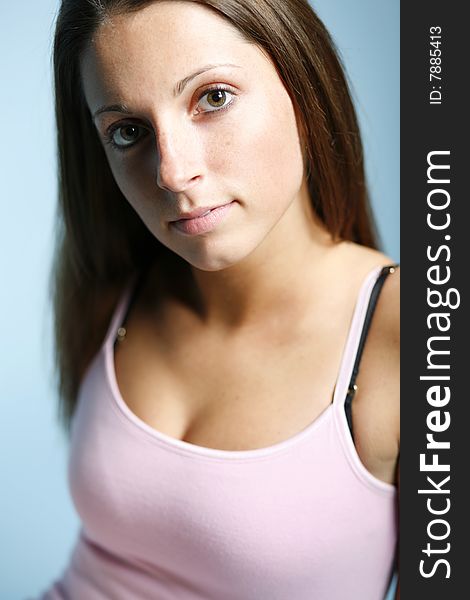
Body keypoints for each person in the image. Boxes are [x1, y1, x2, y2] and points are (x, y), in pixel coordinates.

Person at [40, 0, 399, 598]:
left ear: (300, 81)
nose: (173, 174)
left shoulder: (413, 334)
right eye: (128, 131)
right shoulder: (122, 285)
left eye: (213, 98)